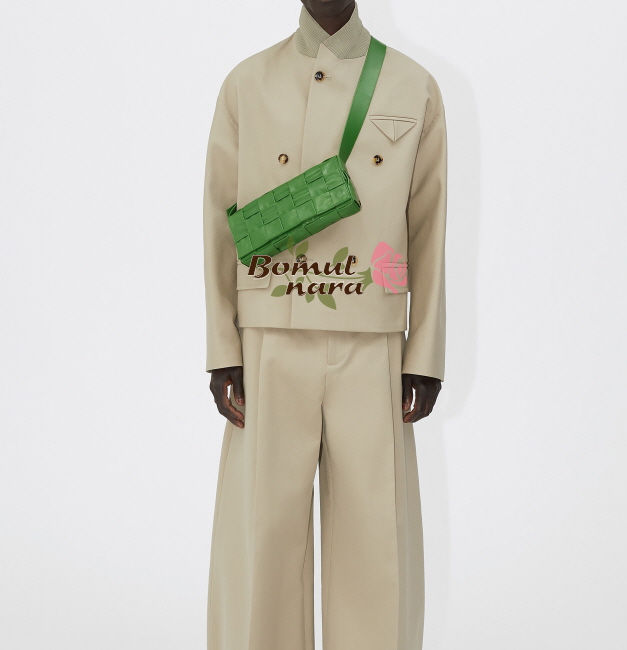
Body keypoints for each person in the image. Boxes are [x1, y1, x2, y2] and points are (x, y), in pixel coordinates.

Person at [202, 1, 447, 648]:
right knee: (261, 540)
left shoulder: (413, 85)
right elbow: (219, 219)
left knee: (377, 542)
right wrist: (223, 345)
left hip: (372, 340)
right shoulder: (246, 84)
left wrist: (423, 354)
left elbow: (429, 227)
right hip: (268, 339)